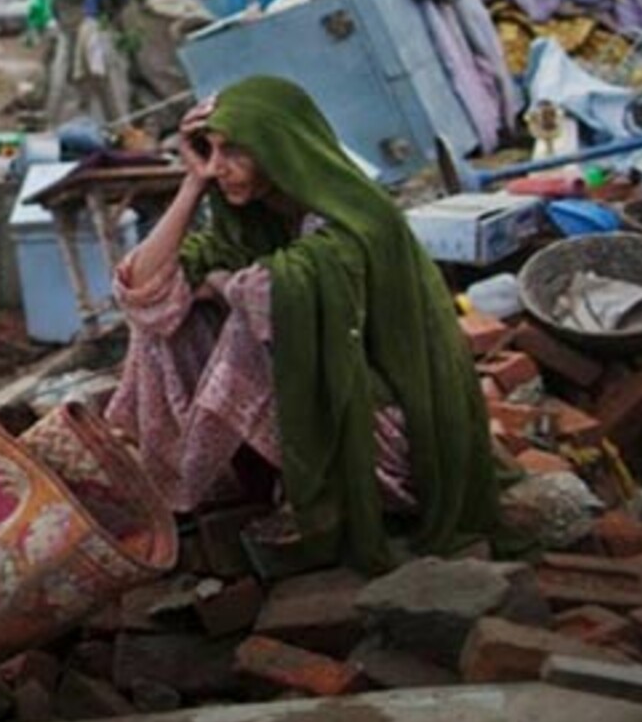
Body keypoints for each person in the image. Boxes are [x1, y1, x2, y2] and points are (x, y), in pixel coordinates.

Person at [105, 75, 500, 574]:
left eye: (236, 152)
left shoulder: (358, 219)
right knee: (169, 323)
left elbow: (270, 296)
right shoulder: (250, 223)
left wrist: (226, 285)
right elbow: (142, 289)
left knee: (254, 318)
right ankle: (255, 480)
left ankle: (315, 494)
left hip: (392, 436)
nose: (220, 166)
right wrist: (194, 181)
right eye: (212, 150)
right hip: (327, 408)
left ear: (279, 149)